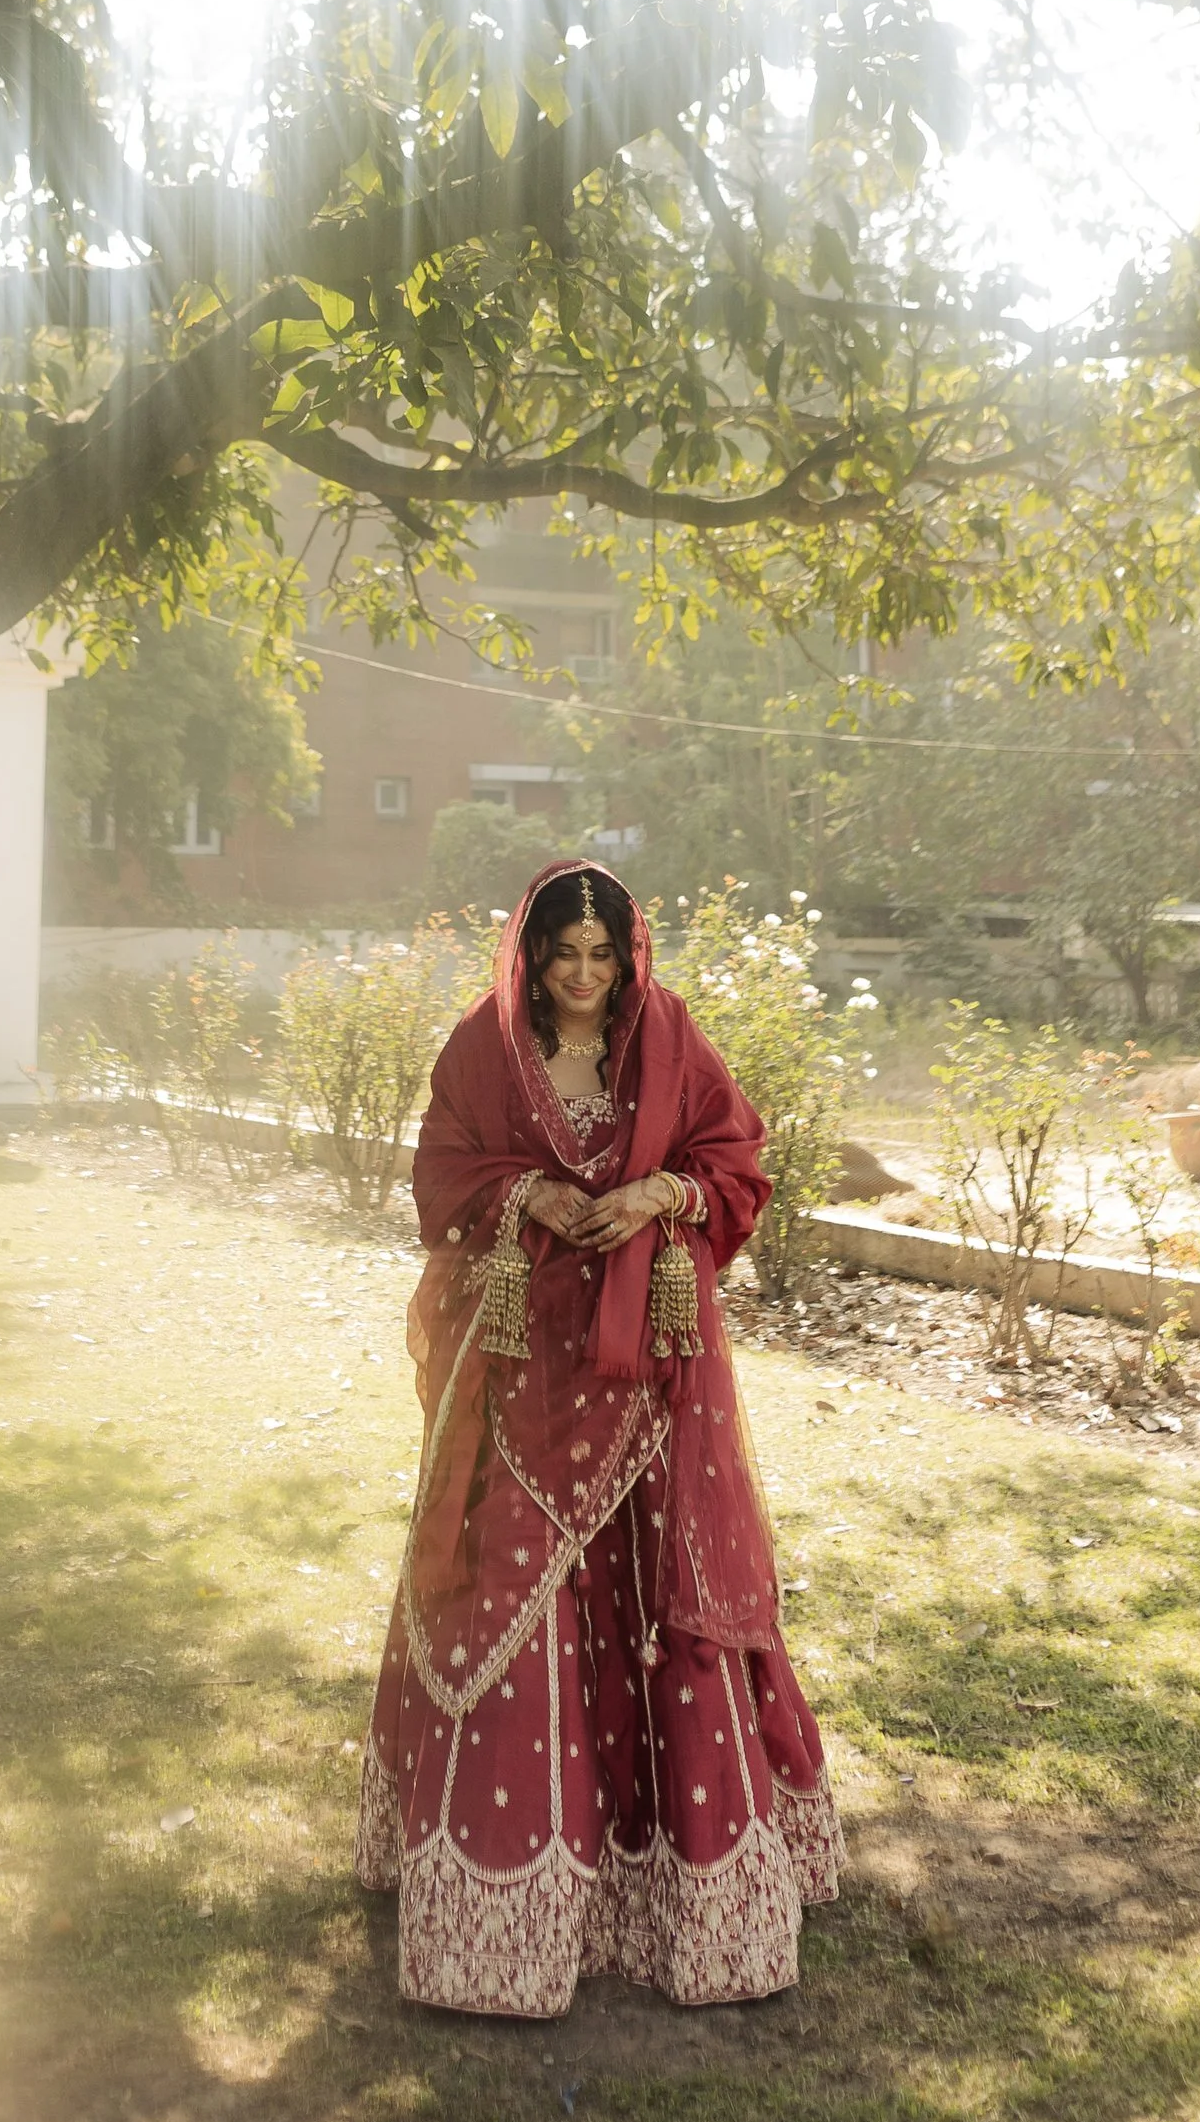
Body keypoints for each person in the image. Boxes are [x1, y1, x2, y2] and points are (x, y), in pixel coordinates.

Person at [356, 859, 841, 2018]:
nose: (581, 978)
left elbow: (733, 1161)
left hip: (646, 1365)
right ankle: (503, 1911)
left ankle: (673, 1891)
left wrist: (654, 1198)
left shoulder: (667, 1037)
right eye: (561, 957)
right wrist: (524, 1192)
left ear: (629, 961)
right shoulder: (487, 1045)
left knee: (666, 1581)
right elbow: (440, 1167)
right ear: (531, 959)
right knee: (514, 1577)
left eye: (601, 958)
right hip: (526, 1364)